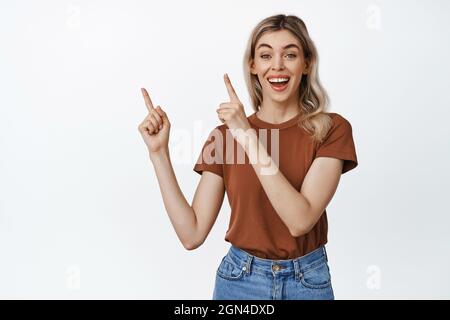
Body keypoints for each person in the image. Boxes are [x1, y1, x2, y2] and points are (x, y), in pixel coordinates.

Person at [138, 14, 358, 300]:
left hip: (307, 282)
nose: (277, 66)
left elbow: (299, 220)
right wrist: (158, 153)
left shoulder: (332, 129)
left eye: (289, 54)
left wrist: (248, 136)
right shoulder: (224, 136)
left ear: (306, 64)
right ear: (253, 66)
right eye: (266, 55)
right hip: (239, 281)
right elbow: (191, 234)